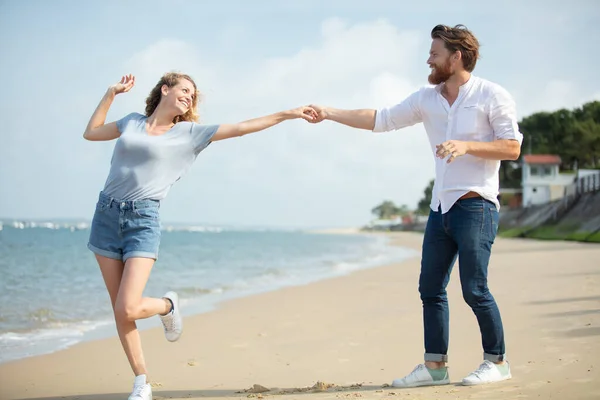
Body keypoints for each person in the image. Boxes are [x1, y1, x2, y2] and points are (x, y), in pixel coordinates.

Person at [306, 24, 522, 387]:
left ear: (456, 57)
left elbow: (512, 147)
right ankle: (435, 368)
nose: (428, 59)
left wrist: (466, 145)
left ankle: (497, 362)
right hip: (441, 209)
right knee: (430, 290)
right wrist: (329, 112)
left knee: (475, 289)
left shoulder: (492, 95)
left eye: (435, 53)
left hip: (476, 207)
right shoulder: (427, 98)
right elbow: (381, 119)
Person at [83, 72, 317, 400]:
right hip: (105, 216)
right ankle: (142, 382)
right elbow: (91, 133)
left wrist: (286, 114)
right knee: (120, 309)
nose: (189, 98)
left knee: (129, 307)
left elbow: (241, 127)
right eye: (184, 90)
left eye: (192, 95)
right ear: (165, 89)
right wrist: (110, 93)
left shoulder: (189, 134)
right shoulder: (131, 122)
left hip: (143, 220)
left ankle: (167, 305)